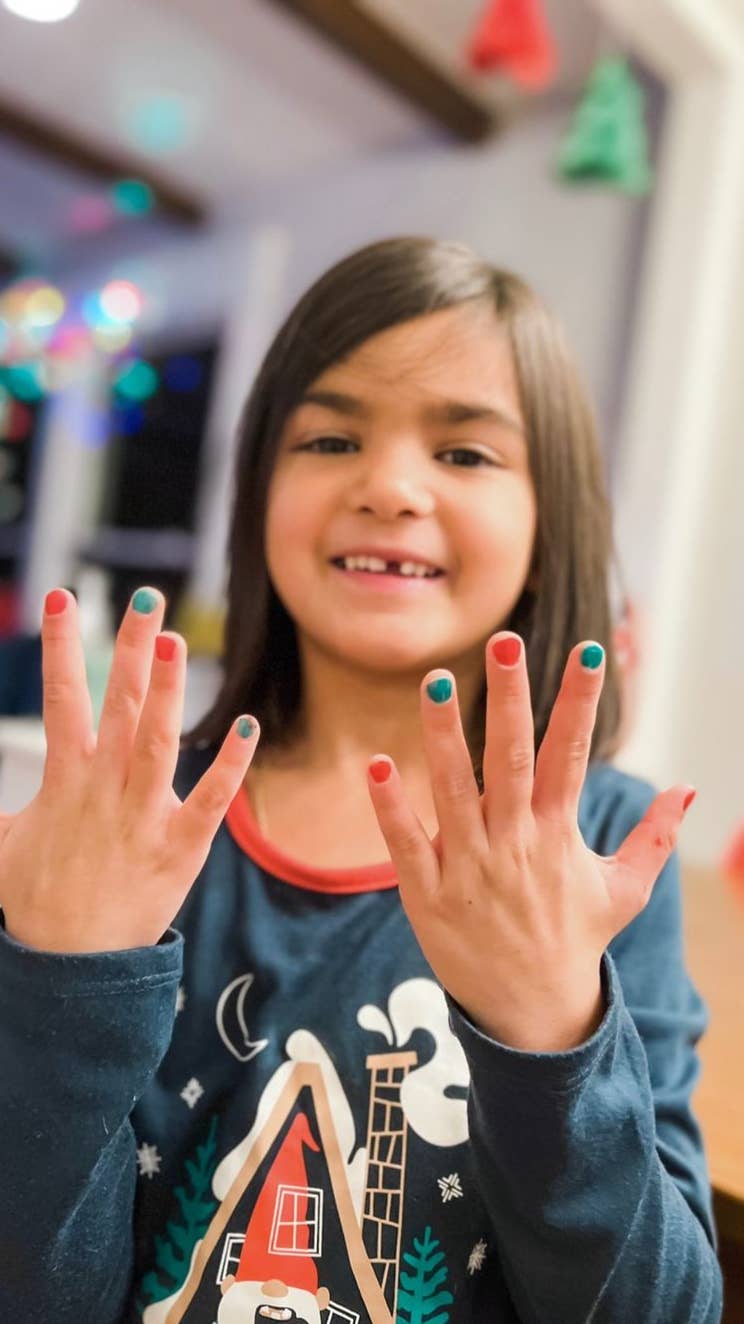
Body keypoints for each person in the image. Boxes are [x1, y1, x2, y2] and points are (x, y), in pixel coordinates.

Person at [0, 238, 722, 1323]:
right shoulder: (140, 831)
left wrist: (552, 1031)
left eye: (467, 454)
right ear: (259, 493)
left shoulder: (599, 855)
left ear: (550, 516)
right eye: (331, 437)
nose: (388, 486)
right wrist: (66, 980)